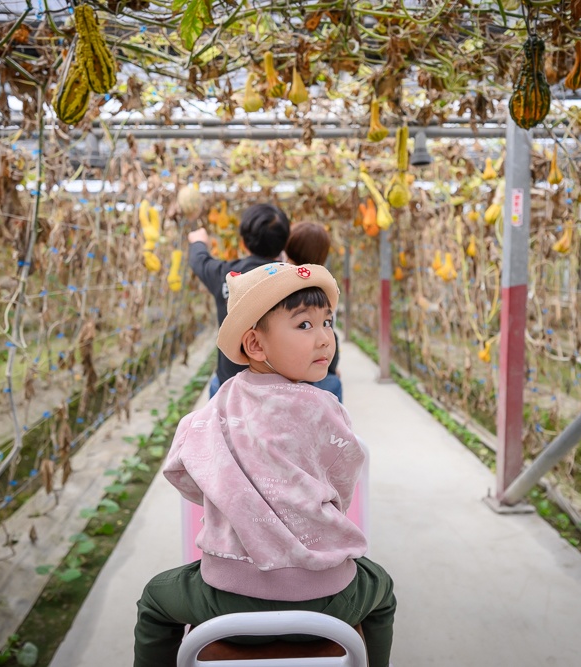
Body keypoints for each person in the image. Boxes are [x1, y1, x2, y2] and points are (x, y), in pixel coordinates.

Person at [133, 263, 396, 667]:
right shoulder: (326, 409)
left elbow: (180, 468)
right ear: (255, 345)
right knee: (382, 589)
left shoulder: (216, 407)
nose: (326, 337)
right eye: (304, 326)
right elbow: (344, 481)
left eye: (327, 322)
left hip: (226, 603)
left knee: (155, 599)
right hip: (327, 602)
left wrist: (227, 498)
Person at [188, 203, 291, 397]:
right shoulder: (292, 280)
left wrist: (198, 241)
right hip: (277, 388)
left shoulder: (225, 275)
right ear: (285, 243)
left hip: (229, 388)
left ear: (243, 243)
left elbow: (199, 260)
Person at [284, 222, 343, 402]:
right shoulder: (321, 287)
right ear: (322, 255)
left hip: (287, 370)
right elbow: (327, 335)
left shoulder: (279, 280)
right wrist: (331, 369)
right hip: (310, 374)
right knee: (333, 384)